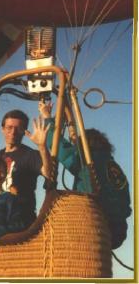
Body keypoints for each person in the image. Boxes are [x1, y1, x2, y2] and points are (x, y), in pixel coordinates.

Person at [39, 101, 132, 249]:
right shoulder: (113, 166)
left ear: (84, 146)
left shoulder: (88, 161)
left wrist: (46, 116)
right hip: (119, 230)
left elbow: (58, 145)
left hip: (96, 223)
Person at [0, 110, 52, 227]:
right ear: (2, 129)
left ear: (24, 132)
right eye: (9, 127)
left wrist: (42, 147)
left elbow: (49, 173)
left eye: (18, 128)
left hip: (21, 219)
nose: (13, 132)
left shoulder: (31, 155)